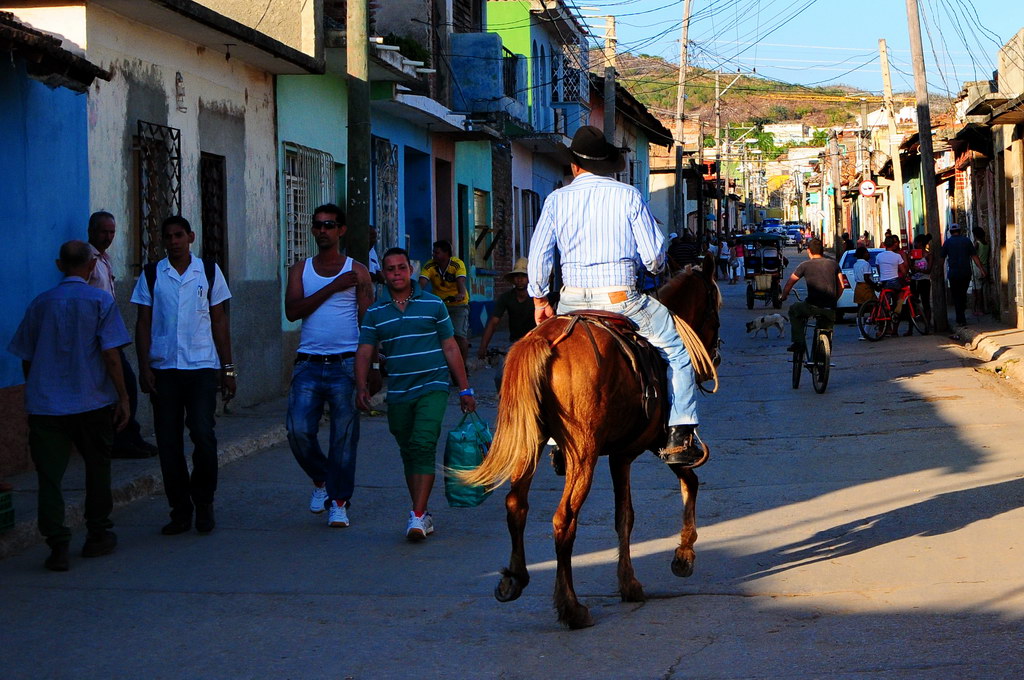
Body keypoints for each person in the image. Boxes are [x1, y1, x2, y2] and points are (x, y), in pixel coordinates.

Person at [527, 124, 705, 467]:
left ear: (574, 166)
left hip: (571, 303)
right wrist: (649, 268)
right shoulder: (628, 196)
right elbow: (654, 255)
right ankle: (679, 432)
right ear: (606, 165)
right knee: (677, 351)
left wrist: (539, 300)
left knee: (537, 357)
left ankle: (551, 435)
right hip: (621, 300)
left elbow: (540, 257)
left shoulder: (555, 200)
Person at [8, 241, 130, 571]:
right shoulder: (101, 301)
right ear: (92, 267)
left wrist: (35, 391)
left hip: (47, 405)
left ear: (60, 265)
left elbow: (27, 357)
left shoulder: (40, 304)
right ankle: (97, 534)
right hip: (91, 401)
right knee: (97, 468)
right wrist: (123, 397)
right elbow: (110, 355)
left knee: (49, 477)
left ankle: (57, 543)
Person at [355, 248, 476, 540]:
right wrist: (360, 385)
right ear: (383, 274)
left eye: (401, 268)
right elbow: (365, 350)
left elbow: (450, 347)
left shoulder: (433, 305)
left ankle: (418, 515)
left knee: (423, 444)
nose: (396, 273)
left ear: (410, 270)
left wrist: (464, 388)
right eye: (390, 269)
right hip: (398, 390)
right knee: (409, 450)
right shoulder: (375, 312)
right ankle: (420, 510)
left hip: (432, 386)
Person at [131, 216, 234, 536]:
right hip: (165, 370)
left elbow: (219, 322)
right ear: (162, 241)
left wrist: (228, 369)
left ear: (191, 237)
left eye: (179, 235)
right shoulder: (151, 275)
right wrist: (144, 367)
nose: (174, 241)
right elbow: (143, 324)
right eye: (168, 236)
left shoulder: (209, 272)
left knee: (203, 435)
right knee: (168, 442)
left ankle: (204, 502)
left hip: (202, 367)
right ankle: (180, 509)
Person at [285, 204, 374, 528]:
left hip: (346, 365)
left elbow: (369, 323)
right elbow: (293, 311)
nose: (323, 230)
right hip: (308, 364)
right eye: (318, 225)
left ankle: (339, 501)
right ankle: (323, 479)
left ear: (341, 231)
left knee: (344, 438)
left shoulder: (358, 271)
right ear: (312, 230)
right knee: (297, 430)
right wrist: (334, 287)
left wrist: (373, 368)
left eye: (329, 225)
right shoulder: (301, 269)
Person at [86, 211, 158, 459]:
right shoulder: (88, 260)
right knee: (125, 384)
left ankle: (130, 436)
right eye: (103, 232)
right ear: (91, 232)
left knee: (124, 385)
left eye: (112, 232)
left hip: (109, 334)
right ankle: (123, 439)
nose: (108, 237)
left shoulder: (103, 259)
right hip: (99, 337)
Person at [477, 257, 537, 391]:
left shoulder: (537, 298)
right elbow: (493, 322)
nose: (520, 279)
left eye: (523, 276)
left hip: (535, 342)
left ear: (529, 278)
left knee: (539, 378)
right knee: (500, 377)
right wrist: (483, 346)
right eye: (517, 276)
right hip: (514, 342)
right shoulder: (506, 297)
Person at [780, 239, 843, 352]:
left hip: (812, 306)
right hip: (830, 308)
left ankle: (798, 342)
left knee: (794, 310)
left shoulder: (805, 265)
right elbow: (842, 286)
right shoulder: (834, 264)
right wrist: (834, 300)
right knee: (826, 329)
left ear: (809, 251)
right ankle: (825, 355)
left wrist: (784, 296)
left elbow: (790, 283)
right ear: (822, 250)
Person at [419, 240, 470, 365]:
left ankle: (463, 366)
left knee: (459, 335)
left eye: (437, 253)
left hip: (458, 305)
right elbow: (421, 283)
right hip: (439, 305)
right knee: (436, 336)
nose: (434, 255)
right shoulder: (429, 266)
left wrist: (461, 294)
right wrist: (415, 295)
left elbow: (461, 281)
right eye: (433, 252)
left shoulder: (457, 264)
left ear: (446, 253)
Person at [941, 223, 986, 328]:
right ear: (960, 231)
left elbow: (942, 258)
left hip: (953, 274)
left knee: (956, 296)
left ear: (951, 232)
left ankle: (960, 318)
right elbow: (974, 256)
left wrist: (939, 271)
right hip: (966, 273)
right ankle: (962, 316)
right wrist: (981, 269)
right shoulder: (966, 241)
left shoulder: (947, 243)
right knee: (962, 294)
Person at [907, 233, 934, 335]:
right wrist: (910, 260)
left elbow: (929, 270)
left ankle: (927, 326)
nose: (914, 245)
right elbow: (910, 269)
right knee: (912, 304)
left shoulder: (928, 255)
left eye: (916, 243)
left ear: (920, 243)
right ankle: (910, 329)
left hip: (924, 281)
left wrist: (920, 270)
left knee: (925, 303)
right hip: (914, 281)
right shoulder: (913, 255)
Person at [972, 226, 990, 316]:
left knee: (977, 291)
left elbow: (972, 254)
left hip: (978, 268)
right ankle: (984, 308)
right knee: (982, 289)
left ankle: (979, 309)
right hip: (985, 267)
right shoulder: (986, 244)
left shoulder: (977, 244)